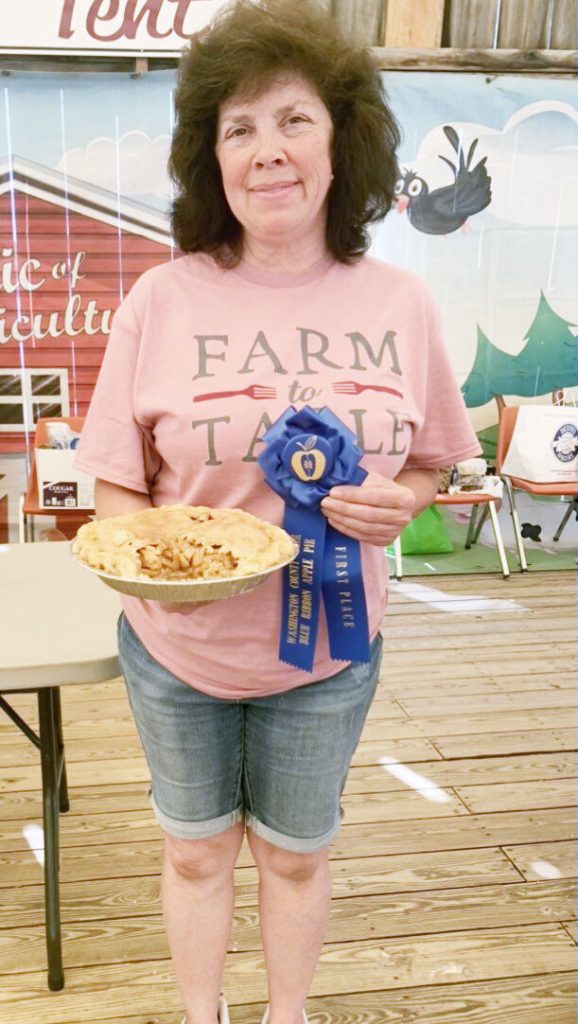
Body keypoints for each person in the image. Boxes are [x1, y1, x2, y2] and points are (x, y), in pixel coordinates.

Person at [74, 2, 482, 1023]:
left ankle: (286, 1011)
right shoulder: (159, 300)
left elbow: (431, 462)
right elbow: (116, 484)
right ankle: (203, 1012)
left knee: (297, 857)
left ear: (343, 141)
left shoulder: (400, 302)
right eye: (239, 128)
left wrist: (400, 504)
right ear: (210, 157)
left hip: (330, 651)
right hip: (177, 650)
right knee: (194, 849)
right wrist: (153, 569)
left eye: (294, 120)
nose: (268, 151)